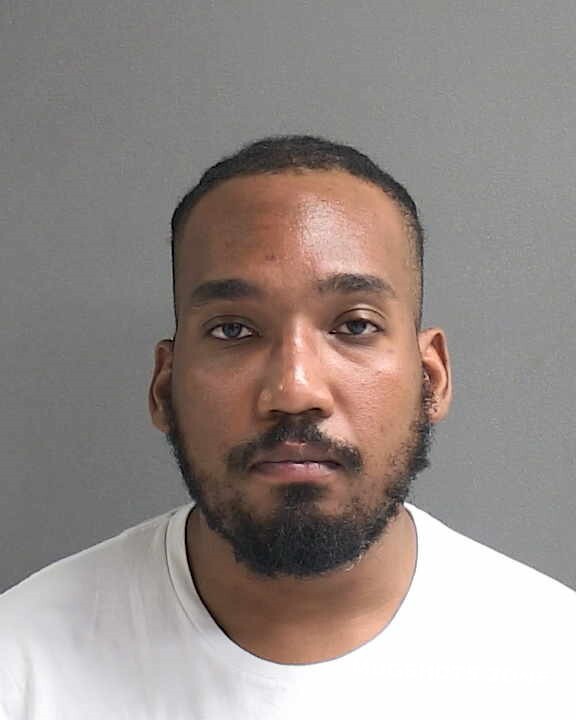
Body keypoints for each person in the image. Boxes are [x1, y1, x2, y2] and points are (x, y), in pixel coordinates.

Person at [1, 135, 574, 719]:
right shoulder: (19, 667)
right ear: (163, 388)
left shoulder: (555, 667)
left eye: (355, 326)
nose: (295, 390)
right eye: (233, 330)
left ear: (432, 378)